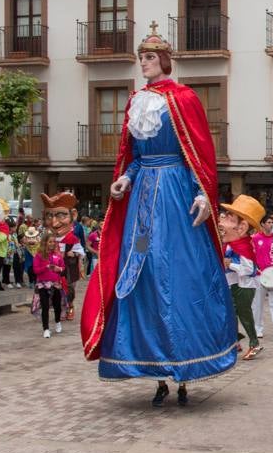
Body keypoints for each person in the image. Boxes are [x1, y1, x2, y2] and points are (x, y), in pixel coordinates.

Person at [80, 22, 238, 408]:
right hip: (142, 201)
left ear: (165, 61)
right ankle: (152, 365)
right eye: (142, 58)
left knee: (179, 272)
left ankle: (185, 366)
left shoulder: (184, 98)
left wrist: (203, 194)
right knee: (143, 272)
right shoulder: (136, 101)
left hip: (175, 192)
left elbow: (199, 154)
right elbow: (133, 156)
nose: (145, 64)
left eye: (151, 57)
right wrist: (124, 180)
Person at [219, 195, 266, 360]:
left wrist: (229, 265)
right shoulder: (232, 243)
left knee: (244, 315)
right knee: (229, 312)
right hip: (234, 284)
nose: (222, 222)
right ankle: (235, 340)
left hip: (244, 286)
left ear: (242, 227)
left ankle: (254, 343)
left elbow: (249, 269)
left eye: (230, 219)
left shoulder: (244, 245)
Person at [41, 193, 85, 320]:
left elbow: (81, 251)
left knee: (69, 290)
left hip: (69, 270)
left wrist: (75, 253)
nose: (54, 223)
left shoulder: (73, 238)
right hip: (54, 270)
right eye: (49, 216)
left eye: (61, 216)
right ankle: (59, 309)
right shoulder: (48, 238)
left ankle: (70, 306)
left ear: (74, 215)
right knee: (55, 291)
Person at [32, 232, 66, 338]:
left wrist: (58, 269)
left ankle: (57, 322)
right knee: (45, 306)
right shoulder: (39, 255)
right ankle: (46, 329)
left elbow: (63, 268)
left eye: (53, 242)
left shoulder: (57, 255)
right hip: (43, 284)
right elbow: (36, 270)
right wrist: (46, 267)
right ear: (45, 242)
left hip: (56, 284)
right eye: (50, 241)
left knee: (57, 305)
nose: (52, 244)